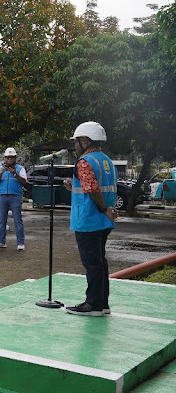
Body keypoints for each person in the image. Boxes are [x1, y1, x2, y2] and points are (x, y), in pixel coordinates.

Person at [63, 122, 119, 317]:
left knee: (92, 263)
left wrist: (103, 209)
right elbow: (98, 186)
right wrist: (73, 186)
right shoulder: (107, 161)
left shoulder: (85, 162)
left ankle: (93, 305)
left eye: (76, 141)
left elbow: (93, 190)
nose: (75, 145)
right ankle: (102, 303)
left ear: (86, 141)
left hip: (89, 219)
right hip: (103, 221)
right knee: (100, 262)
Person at [0, 147, 27, 250]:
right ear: (5, 158)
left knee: (17, 220)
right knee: (1, 220)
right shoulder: (0, 168)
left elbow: (23, 181)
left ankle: (20, 243)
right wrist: (1, 172)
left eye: (11, 157)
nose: (9, 159)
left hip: (15, 196)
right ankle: (1, 241)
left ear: (15, 158)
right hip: (3, 195)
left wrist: (15, 174)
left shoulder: (20, 168)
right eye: (7, 157)